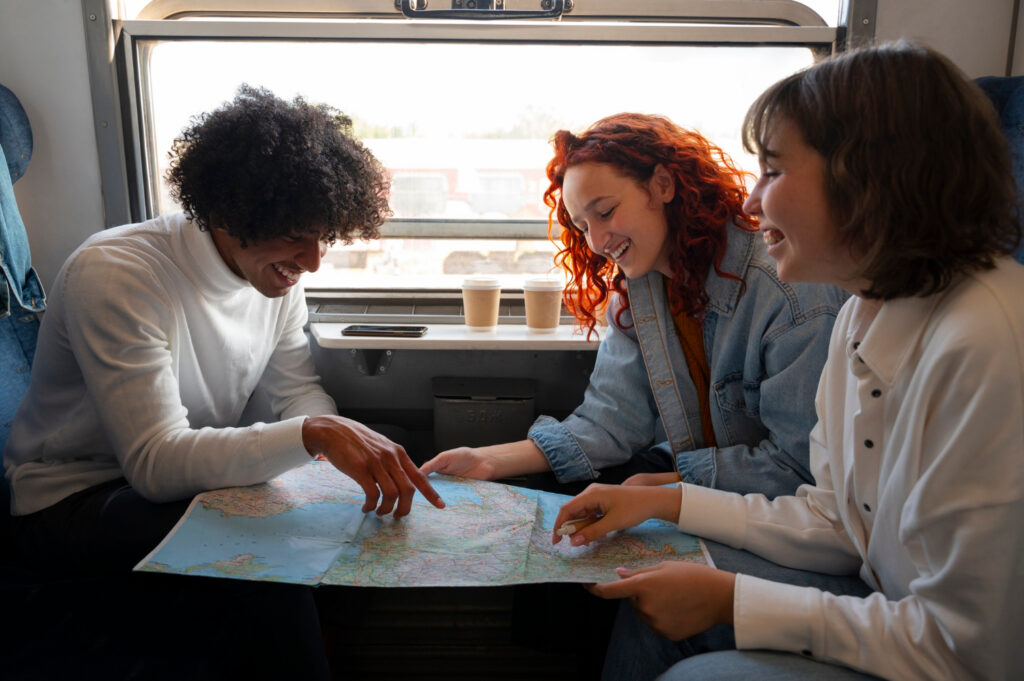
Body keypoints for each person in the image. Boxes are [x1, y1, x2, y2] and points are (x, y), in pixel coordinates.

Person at [553, 41, 1024, 681]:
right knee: (654, 594)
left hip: (936, 654)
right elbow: (833, 518)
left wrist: (734, 600)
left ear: (868, 176)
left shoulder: (987, 343)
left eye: (773, 172)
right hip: (887, 603)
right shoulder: (864, 313)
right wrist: (665, 503)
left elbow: (963, 650)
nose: (751, 202)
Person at [3, 84, 443, 678]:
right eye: (295, 234)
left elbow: (295, 393)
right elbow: (155, 464)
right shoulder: (117, 274)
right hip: (74, 502)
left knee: (381, 450)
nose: (312, 260)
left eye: (323, 237)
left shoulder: (277, 279)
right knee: (268, 553)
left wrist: (332, 438)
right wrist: (314, 435)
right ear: (231, 213)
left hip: (182, 477)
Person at [422, 113, 848, 500]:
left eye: (605, 212)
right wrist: (489, 461)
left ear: (663, 185)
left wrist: (668, 490)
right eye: (582, 227)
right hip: (692, 474)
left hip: (766, 500)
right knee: (531, 493)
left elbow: (797, 468)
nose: (595, 241)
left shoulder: (785, 290)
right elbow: (610, 421)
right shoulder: (639, 290)